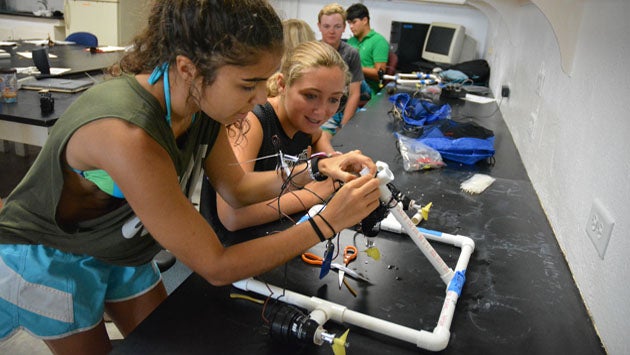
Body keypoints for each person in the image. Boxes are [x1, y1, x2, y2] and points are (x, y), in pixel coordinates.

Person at [0, 1, 381, 354]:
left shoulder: (202, 106)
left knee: (166, 342)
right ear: (189, 69)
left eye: (265, 82)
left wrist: (316, 170)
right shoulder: (127, 134)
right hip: (47, 255)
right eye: (248, 85)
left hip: (115, 248)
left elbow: (238, 189)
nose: (261, 99)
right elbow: (215, 265)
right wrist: (327, 222)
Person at [203, 40, 351, 235]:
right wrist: (311, 194)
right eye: (310, 96)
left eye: (333, 99)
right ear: (282, 84)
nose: (321, 111)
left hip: (275, 231)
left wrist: (332, 161)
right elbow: (232, 217)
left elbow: (318, 136)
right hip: (231, 247)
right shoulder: (252, 121)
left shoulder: (306, 121)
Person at [317, 3, 365, 137]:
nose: (331, 31)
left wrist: (343, 126)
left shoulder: (351, 54)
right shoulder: (312, 51)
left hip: (336, 113)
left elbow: (354, 94)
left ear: (344, 27)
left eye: (337, 26)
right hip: (313, 110)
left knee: (326, 139)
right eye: (326, 26)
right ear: (319, 26)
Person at [346, 3, 390, 95]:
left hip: (368, 89)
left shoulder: (379, 41)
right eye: (349, 23)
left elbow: (379, 74)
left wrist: (355, 68)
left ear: (365, 20)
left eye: (354, 22)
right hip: (350, 83)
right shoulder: (351, 41)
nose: (351, 27)